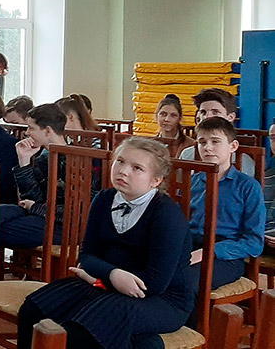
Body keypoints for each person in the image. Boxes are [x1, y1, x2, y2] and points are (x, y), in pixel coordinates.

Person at [17, 138, 194, 349]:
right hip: (112, 284)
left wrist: (98, 278)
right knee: (33, 310)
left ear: (155, 180)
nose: (123, 171)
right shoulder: (104, 198)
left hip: (161, 299)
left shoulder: (166, 213)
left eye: (137, 168)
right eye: (120, 161)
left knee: (82, 330)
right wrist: (111, 275)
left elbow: (155, 283)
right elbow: (87, 256)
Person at [187, 117, 264, 296]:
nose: (207, 147)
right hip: (190, 245)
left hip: (226, 255)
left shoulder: (248, 186)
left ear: (233, 146)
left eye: (215, 141)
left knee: (187, 281)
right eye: (202, 142)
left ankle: (191, 317)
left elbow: (254, 242)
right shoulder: (192, 182)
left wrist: (211, 251)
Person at [0, 103, 78, 248]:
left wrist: (35, 207)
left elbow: (74, 212)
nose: (26, 133)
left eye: (31, 128)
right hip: (40, 214)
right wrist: (24, 161)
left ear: (47, 131)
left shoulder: (75, 161)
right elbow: (32, 197)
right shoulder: (44, 157)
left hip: (63, 226)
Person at [153, 94, 194, 158]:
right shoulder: (151, 144)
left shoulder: (191, 145)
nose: (167, 119)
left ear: (179, 118)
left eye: (173, 115)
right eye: (163, 114)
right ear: (156, 116)